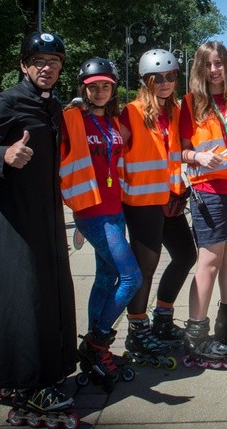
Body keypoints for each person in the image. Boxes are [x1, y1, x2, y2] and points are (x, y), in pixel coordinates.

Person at [0, 31, 78, 419]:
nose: (47, 68)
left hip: (45, 215)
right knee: (24, 298)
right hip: (13, 216)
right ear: (23, 65)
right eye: (39, 61)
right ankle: (28, 383)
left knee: (47, 293)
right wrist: (4, 153)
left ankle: (39, 371)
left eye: (54, 61)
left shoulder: (53, 105)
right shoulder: (7, 102)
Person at [61, 57, 142, 389]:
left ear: (113, 88)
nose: (99, 91)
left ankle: (94, 349)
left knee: (106, 276)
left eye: (105, 86)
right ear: (84, 88)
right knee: (131, 277)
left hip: (114, 208)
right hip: (91, 211)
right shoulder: (72, 118)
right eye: (93, 87)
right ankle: (97, 342)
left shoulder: (112, 122)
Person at [179, 41, 227, 367]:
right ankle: (196, 335)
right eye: (208, 65)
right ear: (200, 68)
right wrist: (196, 155)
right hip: (209, 190)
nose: (214, 71)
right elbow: (180, 150)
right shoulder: (189, 103)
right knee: (210, 262)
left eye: (219, 64)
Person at [118, 49, 197, 368]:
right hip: (140, 202)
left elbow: (177, 153)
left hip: (170, 199)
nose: (165, 83)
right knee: (144, 268)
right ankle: (137, 330)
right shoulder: (132, 112)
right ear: (146, 81)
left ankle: (162, 316)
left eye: (171, 76)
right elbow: (113, 153)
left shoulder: (177, 110)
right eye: (157, 78)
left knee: (186, 256)